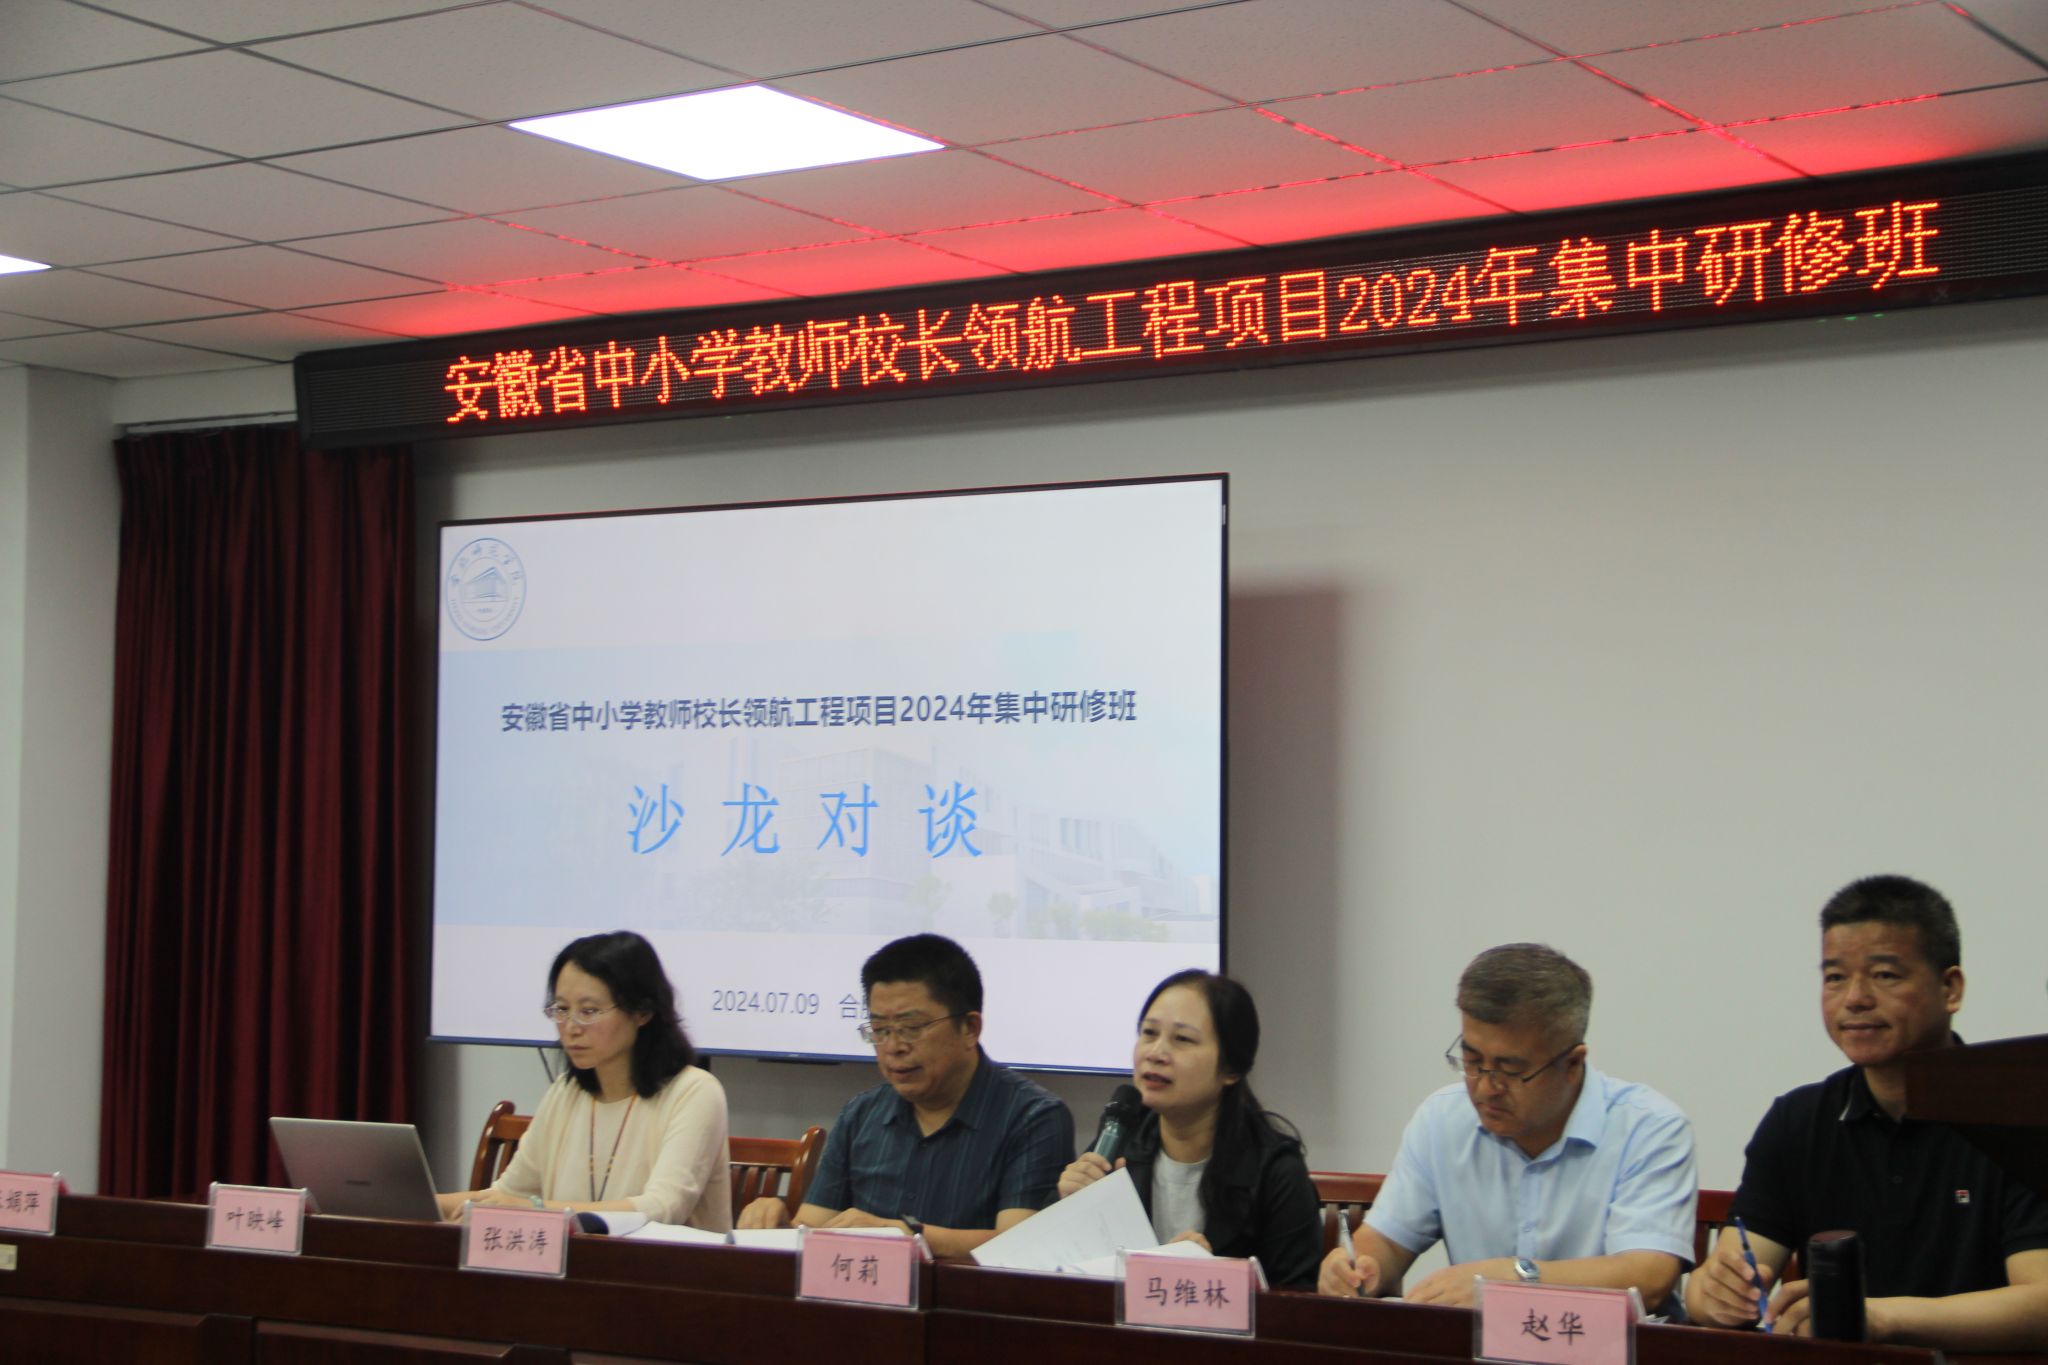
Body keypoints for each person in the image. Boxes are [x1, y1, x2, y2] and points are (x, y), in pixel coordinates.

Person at [1685, 875, 2048, 1348]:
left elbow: (2041, 1301)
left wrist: (1880, 1318)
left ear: (1950, 988)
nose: (1855, 998)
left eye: (1885, 975)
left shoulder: (2021, 1117)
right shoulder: (1798, 1121)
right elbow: (1729, 1273)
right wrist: (1712, 1293)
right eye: (1835, 977)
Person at [1319, 943, 1696, 1310]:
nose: (1485, 1087)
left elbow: (1648, 1276)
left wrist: (1515, 1279)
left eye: (1511, 1070)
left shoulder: (1649, 1129)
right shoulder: (1442, 1120)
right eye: (1472, 1061)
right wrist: (1358, 1268)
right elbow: (1387, 1242)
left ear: (1572, 1064)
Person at [735, 933, 1072, 1257]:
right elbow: (814, 1227)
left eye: (911, 1028)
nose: (894, 1047)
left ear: (970, 1028)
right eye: (880, 1030)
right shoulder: (861, 1115)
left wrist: (904, 1236)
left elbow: (1017, 1246)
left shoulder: (1033, 1117)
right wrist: (779, 1225)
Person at [435, 930, 733, 1230]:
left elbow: (662, 1208)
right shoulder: (566, 1092)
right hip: (575, 1260)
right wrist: (424, 1202)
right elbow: (506, 1195)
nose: (571, 1027)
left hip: (663, 1260)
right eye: (562, 1010)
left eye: (588, 1011)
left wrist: (535, 1210)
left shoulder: (694, 1092)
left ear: (642, 1012)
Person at [1057, 970, 1323, 1288]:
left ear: (1231, 1069)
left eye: (1182, 1039)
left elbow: (1297, 1302)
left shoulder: (1276, 1170)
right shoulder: (1120, 1139)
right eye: (1149, 1033)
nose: (1155, 1053)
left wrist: (1214, 1279)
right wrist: (1066, 1207)